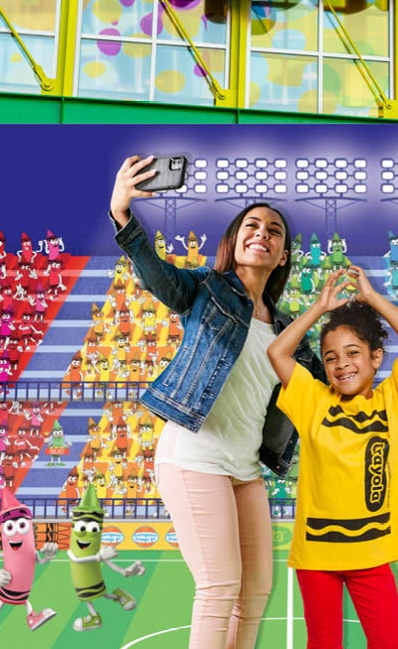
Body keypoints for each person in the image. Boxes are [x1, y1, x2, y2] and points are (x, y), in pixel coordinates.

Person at [109, 155, 323, 649]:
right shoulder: (207, 289)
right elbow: (158, 276)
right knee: (219, 586)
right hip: (193, 456)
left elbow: (324, 388)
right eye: (252, 224)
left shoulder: (289, 330)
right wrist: (123, 214)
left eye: (274, 230)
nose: (262, 233)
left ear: (283, 256)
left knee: (256, 591)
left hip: (244, 468)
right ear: (234, 242)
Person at [266, 266, 398, 649]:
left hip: (372, 554)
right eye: (331, 357)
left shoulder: (394, 401)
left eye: (353, 353)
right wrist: (319, 309)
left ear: (375, 357)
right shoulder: (313, 400)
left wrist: (371, 298)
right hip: (318, 555)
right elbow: (277, 351)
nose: (342, 364)